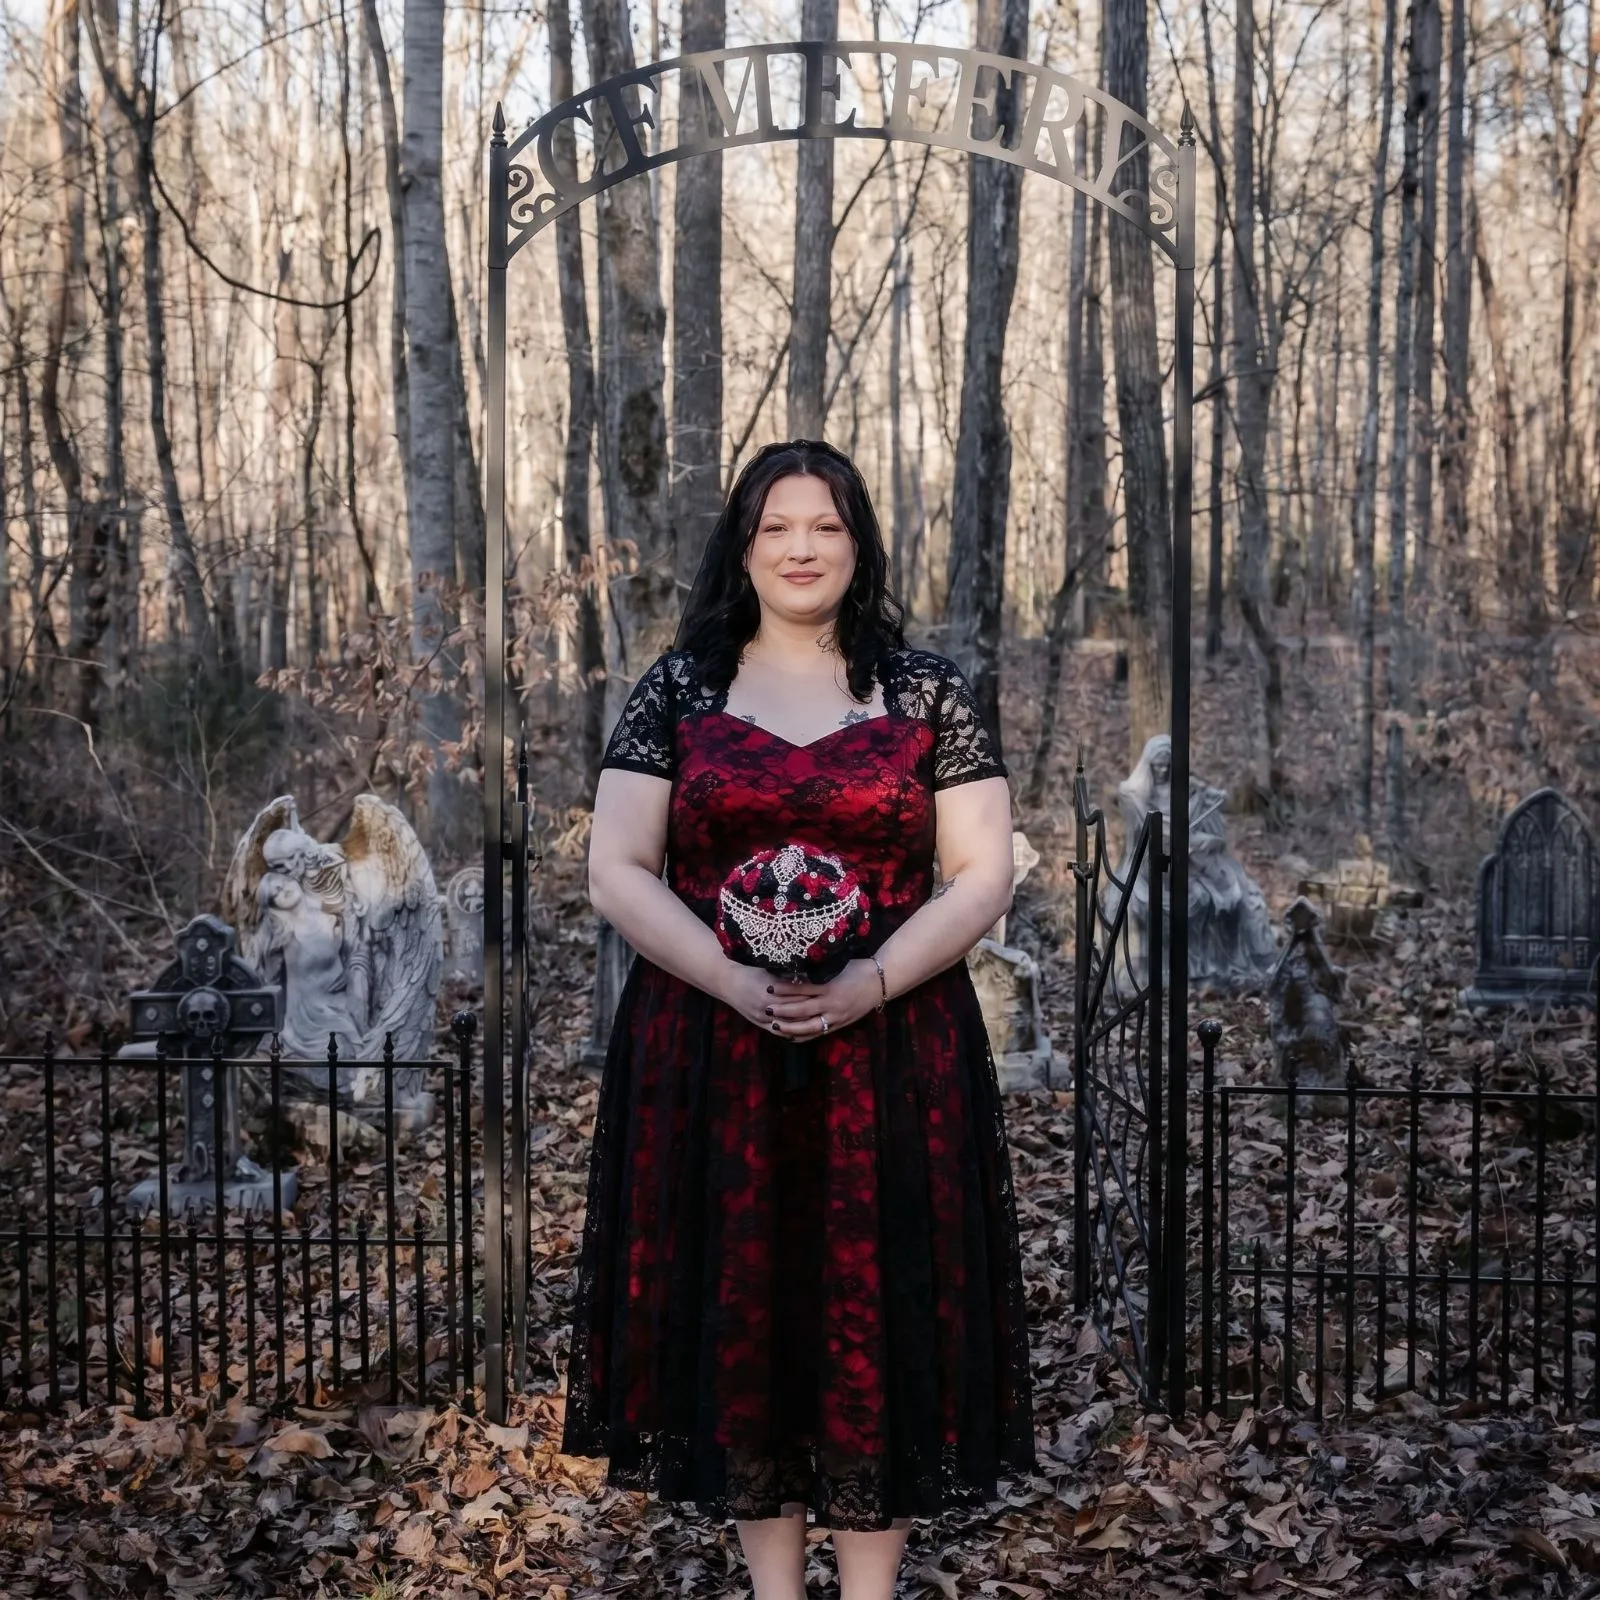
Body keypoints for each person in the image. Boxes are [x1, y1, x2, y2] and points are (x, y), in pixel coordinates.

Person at [559, 440, 1036, 1599]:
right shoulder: (679, 690)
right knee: (748, 1313)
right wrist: (727, 978)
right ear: (744, 544)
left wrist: (871, 981)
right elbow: (615, 867)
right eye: (777, 527)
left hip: (893, 1055)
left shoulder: (923, 691)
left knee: (875, 1317)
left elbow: (980, 873)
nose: (801, 547)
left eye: (824, 525)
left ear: (858, 541)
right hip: (713, 1059)